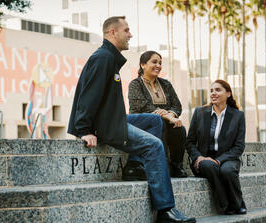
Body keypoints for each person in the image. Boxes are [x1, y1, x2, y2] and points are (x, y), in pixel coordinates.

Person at [67, 16, 195, 223]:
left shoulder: (110, 58)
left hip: (114, 119)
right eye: (126, 30)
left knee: (153, 121)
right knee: (154, 146)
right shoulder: (103, 58)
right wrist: (84, 130)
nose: (130, 35)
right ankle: (165, 210)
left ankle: (134, 166)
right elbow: (88, 95)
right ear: (112, 33)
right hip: (104, 126)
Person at [185, 79, 247, 215]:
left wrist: (219, 160)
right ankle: (228, 204)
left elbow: (239, 146)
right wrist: (198, 157)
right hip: (203, 159)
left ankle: (238, 202)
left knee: (228, 171)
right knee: (209, 165)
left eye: (218, 90)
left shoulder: (238, 116)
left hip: (228, 158)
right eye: (212, 90)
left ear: (228, 94)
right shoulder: (199, 113)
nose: (213, 93)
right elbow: (189, 141)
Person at [125, 50, 187, 179]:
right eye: (154, 62)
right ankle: (160, 165)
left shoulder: (165, 84)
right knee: (159, 124)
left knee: (179, 130)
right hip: (144, 123)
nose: (158, 65)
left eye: (160, 63)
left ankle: (176, 165)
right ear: (143, 65)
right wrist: (165, 116)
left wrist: (170, 114)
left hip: (167, 121)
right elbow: (141, 106)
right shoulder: (135, 84)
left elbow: (177, 105)